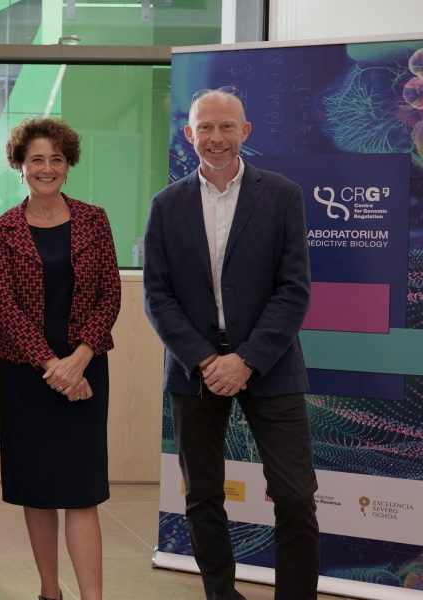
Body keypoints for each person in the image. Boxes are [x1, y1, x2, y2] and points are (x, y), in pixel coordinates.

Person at [143, 88, 319, 600]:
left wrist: (246, 359)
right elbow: (157, 293)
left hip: (270, 364)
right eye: (205, 128)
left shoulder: (283, 195)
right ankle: (221, 594)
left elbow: (294, 289)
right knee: (201, 496)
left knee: (294, 495)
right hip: (193, 369)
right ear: (189, 134)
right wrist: (203, 358)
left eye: (226, 127)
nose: (215, 138)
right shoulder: (167, 204)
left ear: (245, 132)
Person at [0, 118, 120, 600]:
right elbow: (4, 306)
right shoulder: (2, 229)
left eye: (56, 159)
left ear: (69, 165)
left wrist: (79, 359)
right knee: (38, 490)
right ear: (20, 167)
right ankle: (50, 591)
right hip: (27, 376)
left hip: (86, 371)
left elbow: (110, 296)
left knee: (83, 492)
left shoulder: (94, 219)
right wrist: (52, 366)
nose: (47, 168)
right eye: (36, 159)